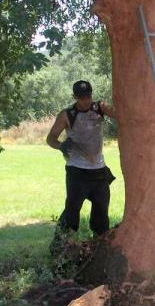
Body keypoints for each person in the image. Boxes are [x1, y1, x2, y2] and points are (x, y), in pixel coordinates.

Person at [46, 80, 117, 253]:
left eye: (88, 96)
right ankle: (59, 249)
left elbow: (120, 115)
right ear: (75, 97)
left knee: (101, 213)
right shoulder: (67, 114)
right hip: (76, 171)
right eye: (82, 97)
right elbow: (51, 139)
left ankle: (100, 250)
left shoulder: (99, 108)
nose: (86, 100)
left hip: (99, 170)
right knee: (72, 211)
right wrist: (61, 145)